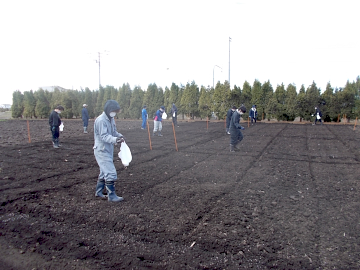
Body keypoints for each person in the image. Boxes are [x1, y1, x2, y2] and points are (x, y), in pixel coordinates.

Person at [93, 100, 126, 202]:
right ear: (108, 110)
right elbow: (104, 136)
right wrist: (115, 140)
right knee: (110, 172)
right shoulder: (101, 120)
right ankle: (111, 196)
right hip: (101, 150)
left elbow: (113, 132)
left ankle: (98, 192)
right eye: (113, 111)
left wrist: (119, 136)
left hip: (108, 149)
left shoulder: (110, 119)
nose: (114, 113)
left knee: (104, 172)